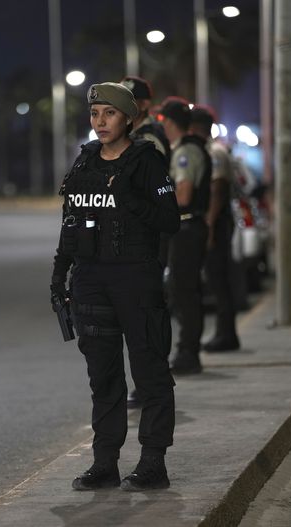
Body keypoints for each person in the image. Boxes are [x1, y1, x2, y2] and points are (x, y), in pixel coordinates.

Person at [50, 82, 180, 491]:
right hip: (91, 281)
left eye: (109, 113)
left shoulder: (146, 161)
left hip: (135, 279)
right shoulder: (85, 161)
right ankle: (104, 463)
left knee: (150, 371)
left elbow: (170, 220)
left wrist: (130, 200)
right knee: (103, 377)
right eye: (95, 113)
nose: (100, 121)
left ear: (127, 118)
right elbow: (71, 223)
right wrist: (59, 274)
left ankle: (153, 463)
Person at [120, 75, 171, 409]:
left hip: (149, 235)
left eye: (129, 100)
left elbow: (156, 188)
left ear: (144, 105)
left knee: (146, 312)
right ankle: (150, 383)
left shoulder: (149, 138)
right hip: (138, 235)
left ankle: (152, 384)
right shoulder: (136, 136)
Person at [159, 97, 211, 375]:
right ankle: (188, 350)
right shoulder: (185, 148)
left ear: (169, 122)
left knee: (184, 291)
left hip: (187, 227)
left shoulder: (186, 152)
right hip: (186, 227)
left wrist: (155, 201)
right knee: (184, 290)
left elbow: (183, 196)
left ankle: (188, 352)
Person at [190, 105, 241, 352]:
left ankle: (227, 335)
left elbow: (217, 190)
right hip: (214, 220)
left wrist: (209, 226)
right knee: (215, 278)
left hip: (217, 221)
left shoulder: (215, 151)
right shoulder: (208, 150)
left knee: (219, 278)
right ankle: (223, 333)